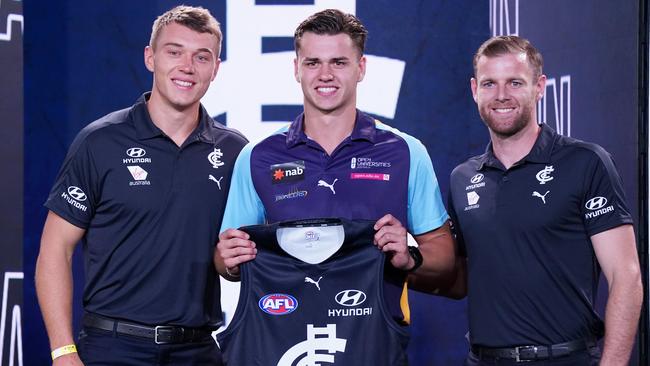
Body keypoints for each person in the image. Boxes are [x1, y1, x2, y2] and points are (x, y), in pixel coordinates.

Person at [214, 8, 457, 363]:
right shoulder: (258, 157)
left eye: (339, 62)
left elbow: (445, 261)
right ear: (296, 69)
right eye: (313, 62)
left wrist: (410, 257)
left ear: (361, 68)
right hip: (283, 348)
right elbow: (227, 259)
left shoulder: (406, 152)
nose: (325, 74)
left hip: (375, 348)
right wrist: (226, 260)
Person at [35, 6, 247, 365]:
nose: (187, 66)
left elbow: (230, 259)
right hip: (112, 348)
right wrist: (62, 351)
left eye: (201, 56)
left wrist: (233, 262)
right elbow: (55, 250)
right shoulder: (100, 142)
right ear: (150, 58)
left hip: (197, 351)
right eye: (174, 52)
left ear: (215, 69)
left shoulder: (234, 150)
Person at [448, 35, 643, 365]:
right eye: (489, 84)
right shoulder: (462, 178)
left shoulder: (586, 163)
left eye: (515, 82)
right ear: (474, 90)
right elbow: (459, 278)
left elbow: (626, 276)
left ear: (540, 86)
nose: (501, 95)